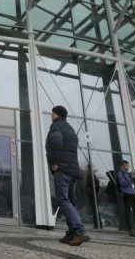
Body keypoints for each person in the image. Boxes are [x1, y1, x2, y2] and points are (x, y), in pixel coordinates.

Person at [45, 105, 90, 247]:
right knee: (70, 201)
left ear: (56, 114)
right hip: (72, 170)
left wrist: (54, 163)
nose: (51, 116)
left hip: (62, 169)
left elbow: (56, 142)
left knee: (63, 200)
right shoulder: (70, 128)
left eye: (52, 114)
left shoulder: (56, 126)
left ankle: (80, 231)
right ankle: (72, 234)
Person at [116, 160, 135, 237]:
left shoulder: (129, 173)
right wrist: (130, 179)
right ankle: (131, 229)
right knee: (128, 211)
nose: (127, 167)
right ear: (122, 166)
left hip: (133, 193)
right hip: (126, 193)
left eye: (128, 165)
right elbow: (123, 184)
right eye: (125, 165)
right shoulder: (120, 173)